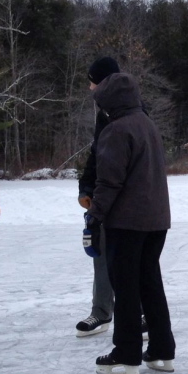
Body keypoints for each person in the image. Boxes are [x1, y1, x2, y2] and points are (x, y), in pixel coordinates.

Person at [85, 70, 175, 374]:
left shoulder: (116, 130)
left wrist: (94, 216)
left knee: (125, 287)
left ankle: (126, 355)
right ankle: (162, 352)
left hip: (127, 222)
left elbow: (109, 182)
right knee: (150, 282)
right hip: (156, 220)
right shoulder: (147, 124)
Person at [75, 57, 119, 337]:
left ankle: (140, 313)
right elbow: (96, 153)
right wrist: (86, 187)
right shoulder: (103, 114)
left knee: (133, 260)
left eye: (92, 81)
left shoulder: (134, 112)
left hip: (128, 200)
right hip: (104, 196)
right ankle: (101, 313)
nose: (90, 88)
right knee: (101, 254)